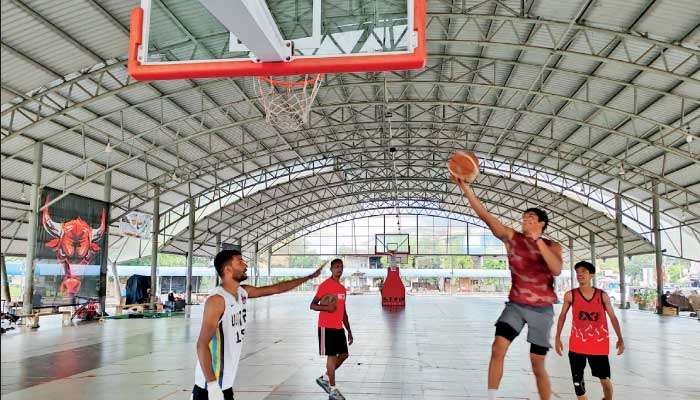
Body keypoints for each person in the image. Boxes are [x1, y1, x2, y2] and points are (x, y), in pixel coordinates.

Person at [454, 177, 562, 400]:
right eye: (524, 218)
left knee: (537, 364)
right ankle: (491, 397)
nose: (525, 220)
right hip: (516, 306)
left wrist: (538, 242)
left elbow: (557, 269)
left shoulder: (552, 246)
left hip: (542, 309)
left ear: (541, 223)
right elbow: (485, 216)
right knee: (497, 348)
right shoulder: (512, 237)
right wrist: (466, 189)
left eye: (530, 218)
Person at [192, 249, 325, 400]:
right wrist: (212, 385)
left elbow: (276, 288)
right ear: (227, 269)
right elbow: (201, 345)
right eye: (240, 261)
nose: (245, 264)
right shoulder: (217, 300)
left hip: (225, 384)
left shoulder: (242, 292)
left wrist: (308, 277)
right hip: (209, 386)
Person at [555, 261, 624, 400]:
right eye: (577, 272)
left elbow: (613, 317)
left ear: (591, 275)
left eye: (583, 271)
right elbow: (562, 316)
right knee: (577, 382)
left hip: (598, 345)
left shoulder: (602, 295)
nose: (580, 274)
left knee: (605, 380)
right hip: (577, 345)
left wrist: (620, 338)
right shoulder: (570, 295)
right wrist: (557, 337)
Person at [310, 259, 353, 400]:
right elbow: (313, 305)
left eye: (341, 267)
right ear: (331, 269)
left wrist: (349, 330)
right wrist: (327, 308)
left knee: (344, 354)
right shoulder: (325, 285)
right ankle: (333, 390)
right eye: (336, 267)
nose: (339, 269)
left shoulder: (342, 289)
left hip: (338, 327)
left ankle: (324, 378)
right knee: (332, 357)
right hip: (326, 327)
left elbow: (343, 311)